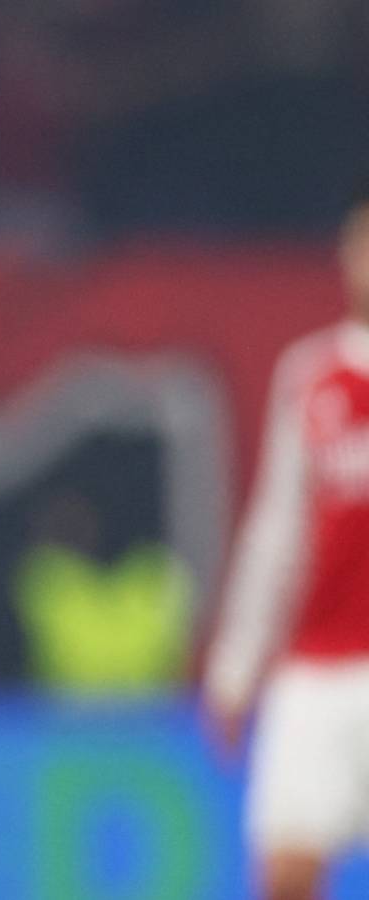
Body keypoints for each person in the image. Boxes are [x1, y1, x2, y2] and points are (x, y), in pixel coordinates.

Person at [205, 184, 369, 900]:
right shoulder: (312, 374)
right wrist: (237, 664)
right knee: (288, 873)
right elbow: (278, 525)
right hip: (318, 667)